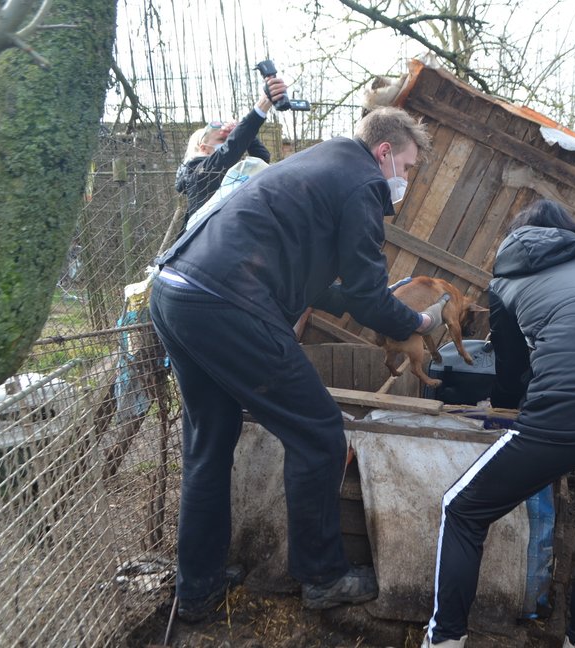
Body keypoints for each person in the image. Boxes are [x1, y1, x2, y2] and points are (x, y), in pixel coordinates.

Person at [150, 106, 447, 622]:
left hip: (177, 291)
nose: (407, 179)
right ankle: (323, 576)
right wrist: (418, 323)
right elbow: (369, 298)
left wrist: (370, 300)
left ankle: (197, 588)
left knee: (209, 442)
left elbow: (309, 273)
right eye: (409, 166)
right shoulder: (362, 186)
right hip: (226, 303)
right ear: (385, 153)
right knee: (319, 434)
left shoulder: (324, 162)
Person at [421, 199, 575, 648]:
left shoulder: (506, 276)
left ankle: (444, 640)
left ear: (517, 237)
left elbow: (511, 363)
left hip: (571, 401)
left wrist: (503, 413)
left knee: (463, 510)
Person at [174, 76, 287, 229]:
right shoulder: (198, 173)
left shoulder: (230, 172)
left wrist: (245, 134)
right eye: (222, 140)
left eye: (228, 140)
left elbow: (261, 158)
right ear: (204, 148)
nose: (226, 144)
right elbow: (229, 151)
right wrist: (263, 104)